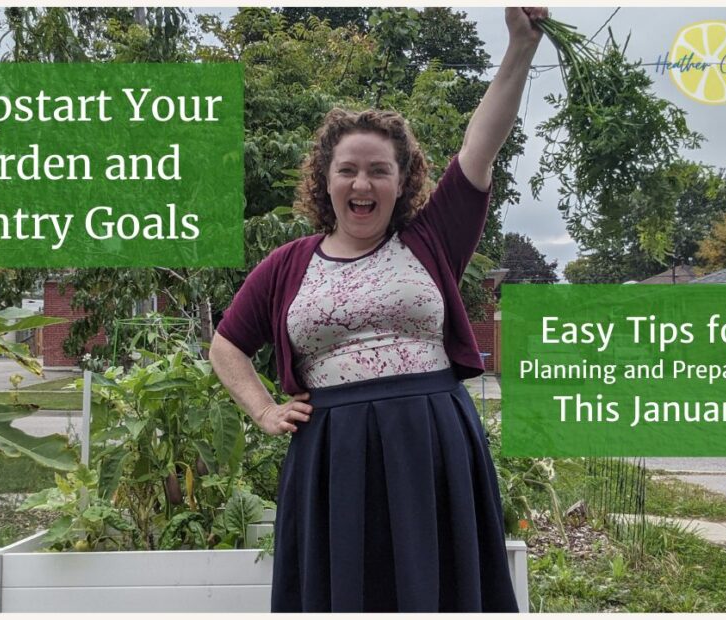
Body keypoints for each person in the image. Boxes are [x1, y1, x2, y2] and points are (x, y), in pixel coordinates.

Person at [209, 7, 547, 612]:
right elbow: (226, 344)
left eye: (378, 171)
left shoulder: (431, 238)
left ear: (402, 179)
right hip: (332, 450)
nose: (362, 184)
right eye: (348, 170)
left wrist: (520, 48)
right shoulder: (287, 264)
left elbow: (479, 146)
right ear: (326, 179)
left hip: (430, 440)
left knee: (436, 586)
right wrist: (261, 408)